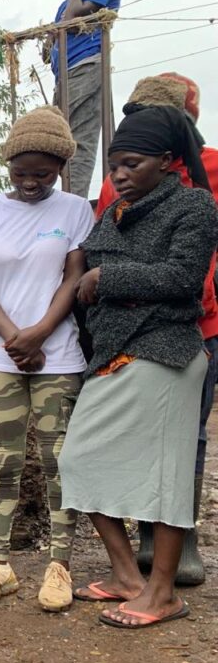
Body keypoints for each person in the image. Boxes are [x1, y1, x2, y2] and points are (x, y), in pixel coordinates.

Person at [62, 105, 218, 629]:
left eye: (132, 164)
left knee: (164, 478)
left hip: (168, 354)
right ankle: (128, 575)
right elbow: (87, 271)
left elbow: (182, 279)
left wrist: (108, 279)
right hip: (113, 354)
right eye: (114, 167)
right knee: (78, 460)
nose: (120, 176)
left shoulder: (194, 207)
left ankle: (163, 593)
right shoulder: (113, 213)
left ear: (168, 162)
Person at [0, 106, 94, 612]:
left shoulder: (76, 211)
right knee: (2, 460)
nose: (32, 183)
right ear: (8, 167)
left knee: (61, 461)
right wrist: (15, 336)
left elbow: (73, 278)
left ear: (60, 167)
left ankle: (60, 566)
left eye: (43, 173)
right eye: (21, 173)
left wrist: (38, 334)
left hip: (57, 356)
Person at [95, 73, 215, 588]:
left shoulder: (209, 174)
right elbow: (101, 253)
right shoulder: (115, 184)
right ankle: (147, 537)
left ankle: (178, 542)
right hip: (129, 333)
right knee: (135, 438)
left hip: (200, 324)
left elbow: (181, 271)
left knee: (187, 437)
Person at [45, 0, 122, 198]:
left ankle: (74, 201)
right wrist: (52, 34)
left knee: (78, 143)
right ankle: (65, 198)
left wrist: (60, 26)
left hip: (85, 66)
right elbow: (47, 52)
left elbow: (73, 18)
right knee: (58, 142)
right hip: (66, 72)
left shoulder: (76, 1)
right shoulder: (68, 1)